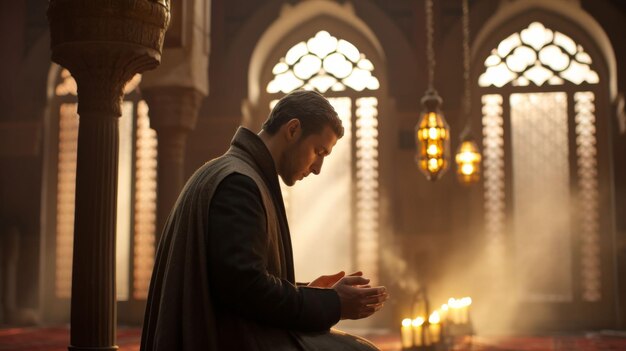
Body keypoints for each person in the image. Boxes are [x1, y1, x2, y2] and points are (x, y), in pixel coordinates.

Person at [140, 90, 388, 351]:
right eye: (318, 151)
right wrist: (333, 303)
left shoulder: (237, 173)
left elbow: (237, 278)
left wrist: (311, 294)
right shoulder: (239, 183)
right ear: (292, 130)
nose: (318, 168)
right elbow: (245, 291)